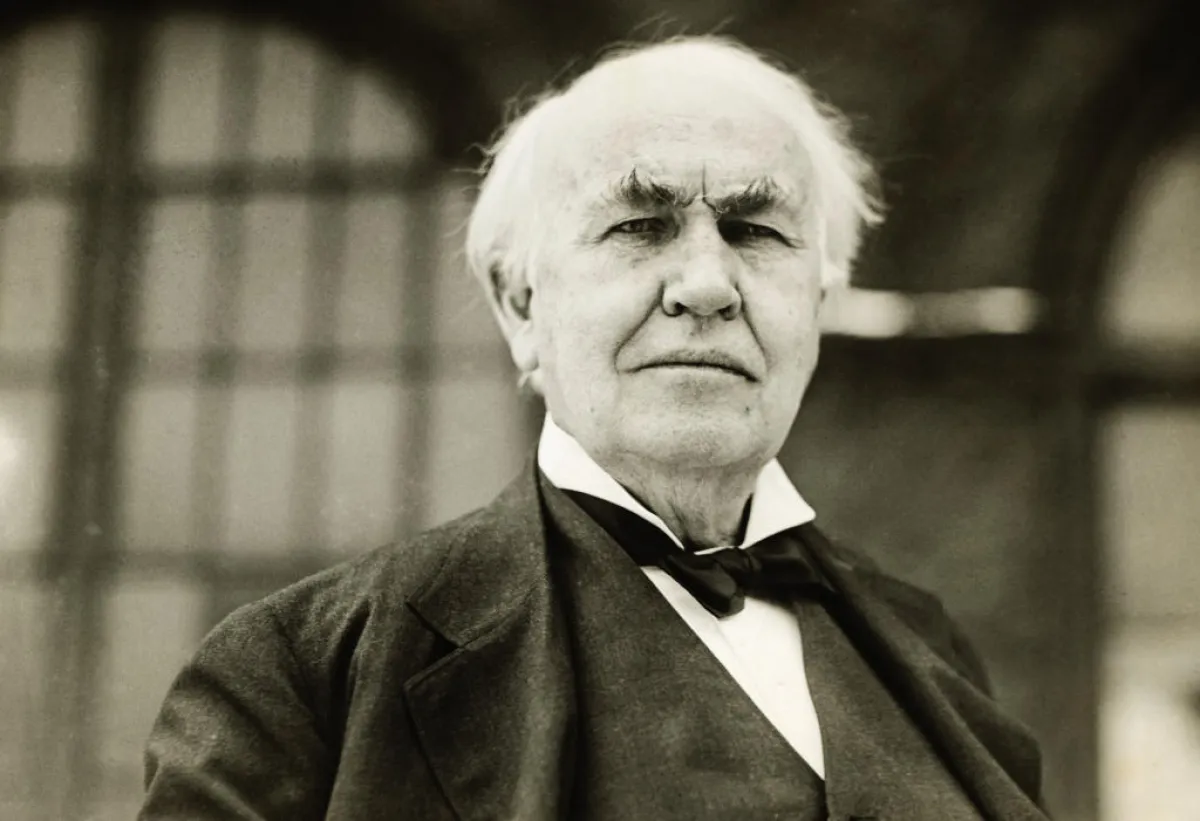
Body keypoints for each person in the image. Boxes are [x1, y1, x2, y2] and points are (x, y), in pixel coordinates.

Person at [140, 36, 1049, 821]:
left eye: (754, 231)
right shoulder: (301, 676)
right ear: (520, 303)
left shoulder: (930, 649)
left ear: (816, 303)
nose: (707, 284)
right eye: (642, 225)